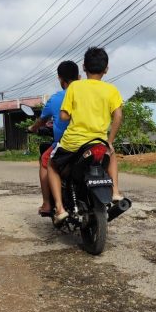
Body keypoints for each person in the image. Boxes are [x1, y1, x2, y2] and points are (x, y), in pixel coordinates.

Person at [48, 46, 123, 224]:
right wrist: (109, 141)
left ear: (83, 67)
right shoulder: (111, 90)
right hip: (97, 142)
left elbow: (64, 115)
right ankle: (115, 192)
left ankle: (59, 209)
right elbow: (118, 115)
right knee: (110, 152)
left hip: (73, 143)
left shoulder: (75, 86)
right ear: (106, 69)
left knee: (51, 165)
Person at [27, 60, 80, 214]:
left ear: (60, 78)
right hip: (92, 141)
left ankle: (47, 204)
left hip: (66, 143)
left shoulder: (56, 98)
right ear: (79, 76)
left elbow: (42, 121)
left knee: (45, 161)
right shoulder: (87, 95)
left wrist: (32, 128)